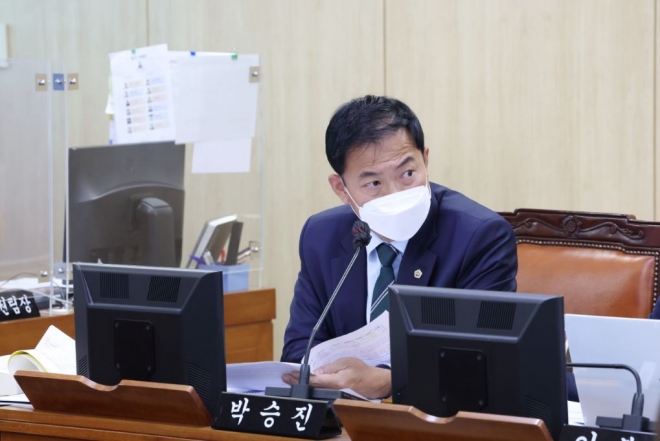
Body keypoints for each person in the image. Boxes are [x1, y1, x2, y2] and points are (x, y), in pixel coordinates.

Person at [281, 95, 518, 399]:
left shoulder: (479, 236)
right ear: (341, 188)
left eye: (408, 174)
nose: (395, 194)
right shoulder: (321, 235)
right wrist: (334, 381)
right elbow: (300, 348)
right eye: (374, 184)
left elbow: (483, 359)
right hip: (343, 414)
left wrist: (393, 380)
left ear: (425, 160)